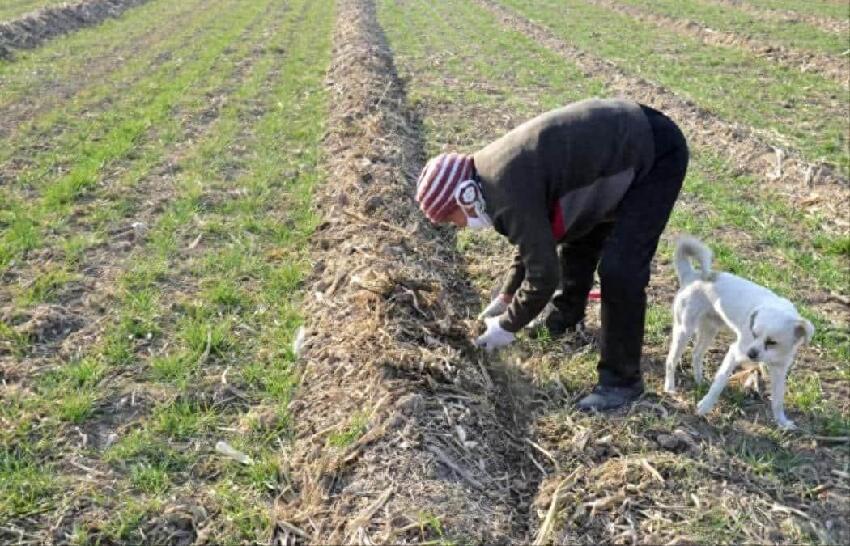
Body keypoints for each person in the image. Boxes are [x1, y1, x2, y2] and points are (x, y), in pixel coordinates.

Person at [414, 98, 688, 410]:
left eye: (452, 219)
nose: (459, 227)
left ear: (462, 196)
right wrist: (506, 297)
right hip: (616, 151)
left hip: (654, 152)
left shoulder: (502, 190)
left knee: (620, 269)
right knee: (579, 236)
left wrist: (507, 326)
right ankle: (565, 319)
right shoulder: (491, 177)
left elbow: (543, 274)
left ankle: (621, 383)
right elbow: (536, 239)